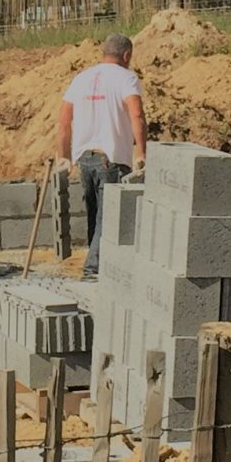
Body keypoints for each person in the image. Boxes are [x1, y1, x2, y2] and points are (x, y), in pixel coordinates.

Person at [55, 33, 146, 278]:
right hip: (112, 159)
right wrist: (141, 153)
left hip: (85, 158)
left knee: (96, 217)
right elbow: (136, 115)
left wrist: (63, 156)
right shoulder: (126, 78)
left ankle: (100, 267)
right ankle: (93, 271)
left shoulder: (82, 78)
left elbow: (63, 121)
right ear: (126, 56)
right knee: (109, 218)